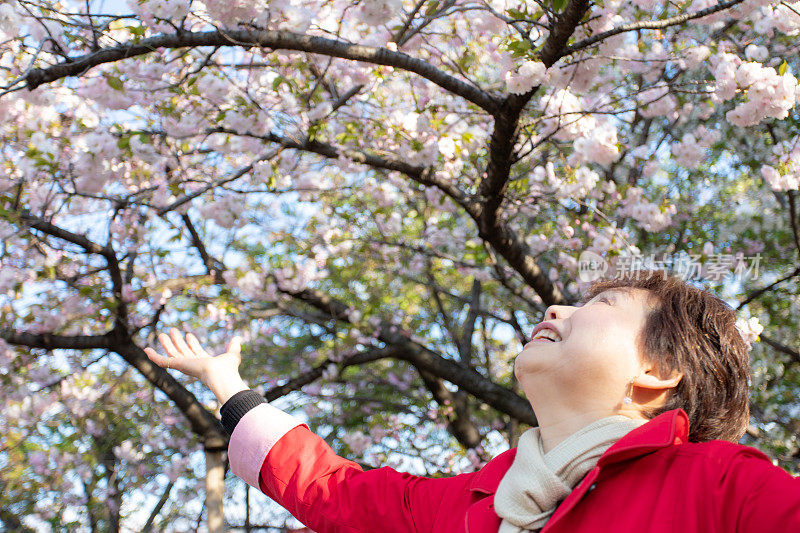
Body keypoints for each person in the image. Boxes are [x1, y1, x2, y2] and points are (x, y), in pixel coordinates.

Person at [144, 269, 800, 532]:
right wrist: (226, 383)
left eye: (600, 304)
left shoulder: (720, 488)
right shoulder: (466, 505)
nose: (554, 306)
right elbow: (335, 491)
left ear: (657, 370)